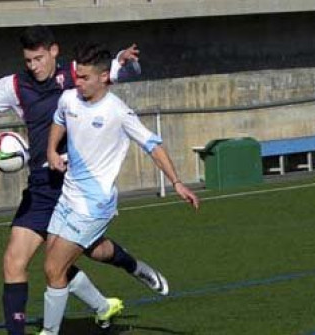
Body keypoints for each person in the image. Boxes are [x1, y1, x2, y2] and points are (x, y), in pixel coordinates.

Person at [0, 25, 168, 334]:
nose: (34, 66)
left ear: (54, 51)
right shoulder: (14, 85)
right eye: (28, 60)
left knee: (93, 252)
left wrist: (123, 59)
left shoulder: (75, 74)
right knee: (14, 261)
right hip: (42, 183)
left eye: (39, 58)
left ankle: (130, 266)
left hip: (76, 186)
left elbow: (113, 71)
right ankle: (84, 311)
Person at [39, 43, 199, 335]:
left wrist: (176, 182)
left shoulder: (118, 112)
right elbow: (58, 121)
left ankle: (50, 332)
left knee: (53, 269)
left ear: (103, 78)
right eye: (78, 75)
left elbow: (154, 145)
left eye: (85, 77)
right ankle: (119, 284)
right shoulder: (68, 100)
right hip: (68, 196)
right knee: (87, 254)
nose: (78, 81)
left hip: (94, 204)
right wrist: (51, 150)